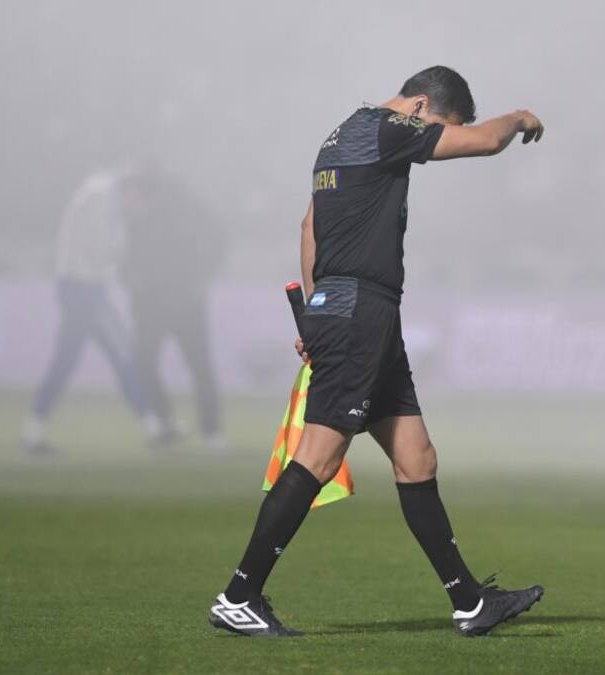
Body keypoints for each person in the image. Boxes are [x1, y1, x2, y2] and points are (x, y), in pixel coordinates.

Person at [208, 66, 546, 637]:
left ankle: (468, 602)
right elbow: (486, 141)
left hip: (360, 314)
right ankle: (239, 595)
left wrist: (317, 307)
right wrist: (519, 118)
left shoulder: (338, 139)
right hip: (360, 313)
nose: (436, 137)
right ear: (419, 106)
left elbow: (309, 223)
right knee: (318, 456)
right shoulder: (390, 129)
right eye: (441, 125)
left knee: (417, 457)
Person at [21, 167, 164, 455]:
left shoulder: (99, 196)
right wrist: (120, 265)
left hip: (81, 286)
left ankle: (153, 425)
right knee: (118, 355)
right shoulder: (103, 202)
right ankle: (153, 425)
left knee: (85, 357)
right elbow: (100, 249)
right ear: (134, 190)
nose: (140, 209)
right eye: (142, 201)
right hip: (85, 288)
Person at [121, 163, 227, 452]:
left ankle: (211, 432)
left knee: (198, 366)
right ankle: (171, 425)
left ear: (146, 191)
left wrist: (201, 276)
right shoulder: (139, 219)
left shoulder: (183, 211)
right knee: (145, 363)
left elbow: (217, 239)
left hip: (182, 301)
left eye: (132, 192)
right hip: (154, 302)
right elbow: (131, 257)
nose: (127, 200)